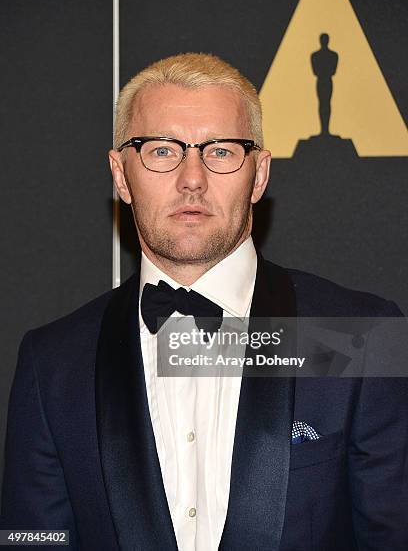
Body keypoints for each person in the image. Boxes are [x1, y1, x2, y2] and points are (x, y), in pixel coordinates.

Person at [1, 53, 407, 550]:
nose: (192, 178)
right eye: (162, 150)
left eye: (219, 151)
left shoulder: (361, 337)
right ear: (121, 175)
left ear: (258, 175)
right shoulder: (54, 363)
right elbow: (32, 541)